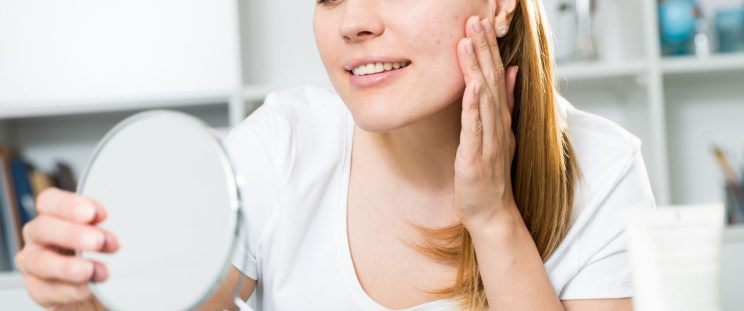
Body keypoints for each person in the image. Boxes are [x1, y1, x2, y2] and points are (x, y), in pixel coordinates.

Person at [15, 0, 656, 310]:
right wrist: (95, 300)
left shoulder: (603, 172)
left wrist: (493, 218)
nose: (353, 23)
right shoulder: (284, 142)